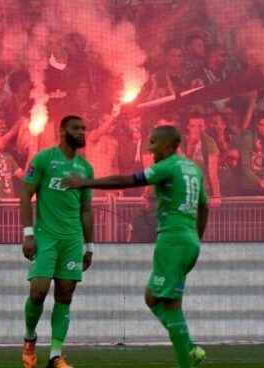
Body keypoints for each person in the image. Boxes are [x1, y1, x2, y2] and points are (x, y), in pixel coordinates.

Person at [62, 125, 208, 368]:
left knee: (159, 300)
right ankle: (189, 349)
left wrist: (87, 182)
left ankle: (189, 354)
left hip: (172, 241)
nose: (150, 148)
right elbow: (205, 206)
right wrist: (196, 238)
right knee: (162, 300)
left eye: (154, 143)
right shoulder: (193, 168)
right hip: (189, 241)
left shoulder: (167, 166)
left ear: (170, 146)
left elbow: (128, 180)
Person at [20, 115, 95, 368]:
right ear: (63, 131)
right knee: (38, 291)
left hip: (73, 240)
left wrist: (89, 246)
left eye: (84, 128)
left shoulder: (86, 168)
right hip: (46, 237)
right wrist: (28, 233)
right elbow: (25, 193)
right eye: (77, 128)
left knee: (65, 294)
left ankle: (55, 355)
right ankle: (30, 338)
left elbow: (86, 209)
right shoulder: (43, 159)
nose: (82, 132)